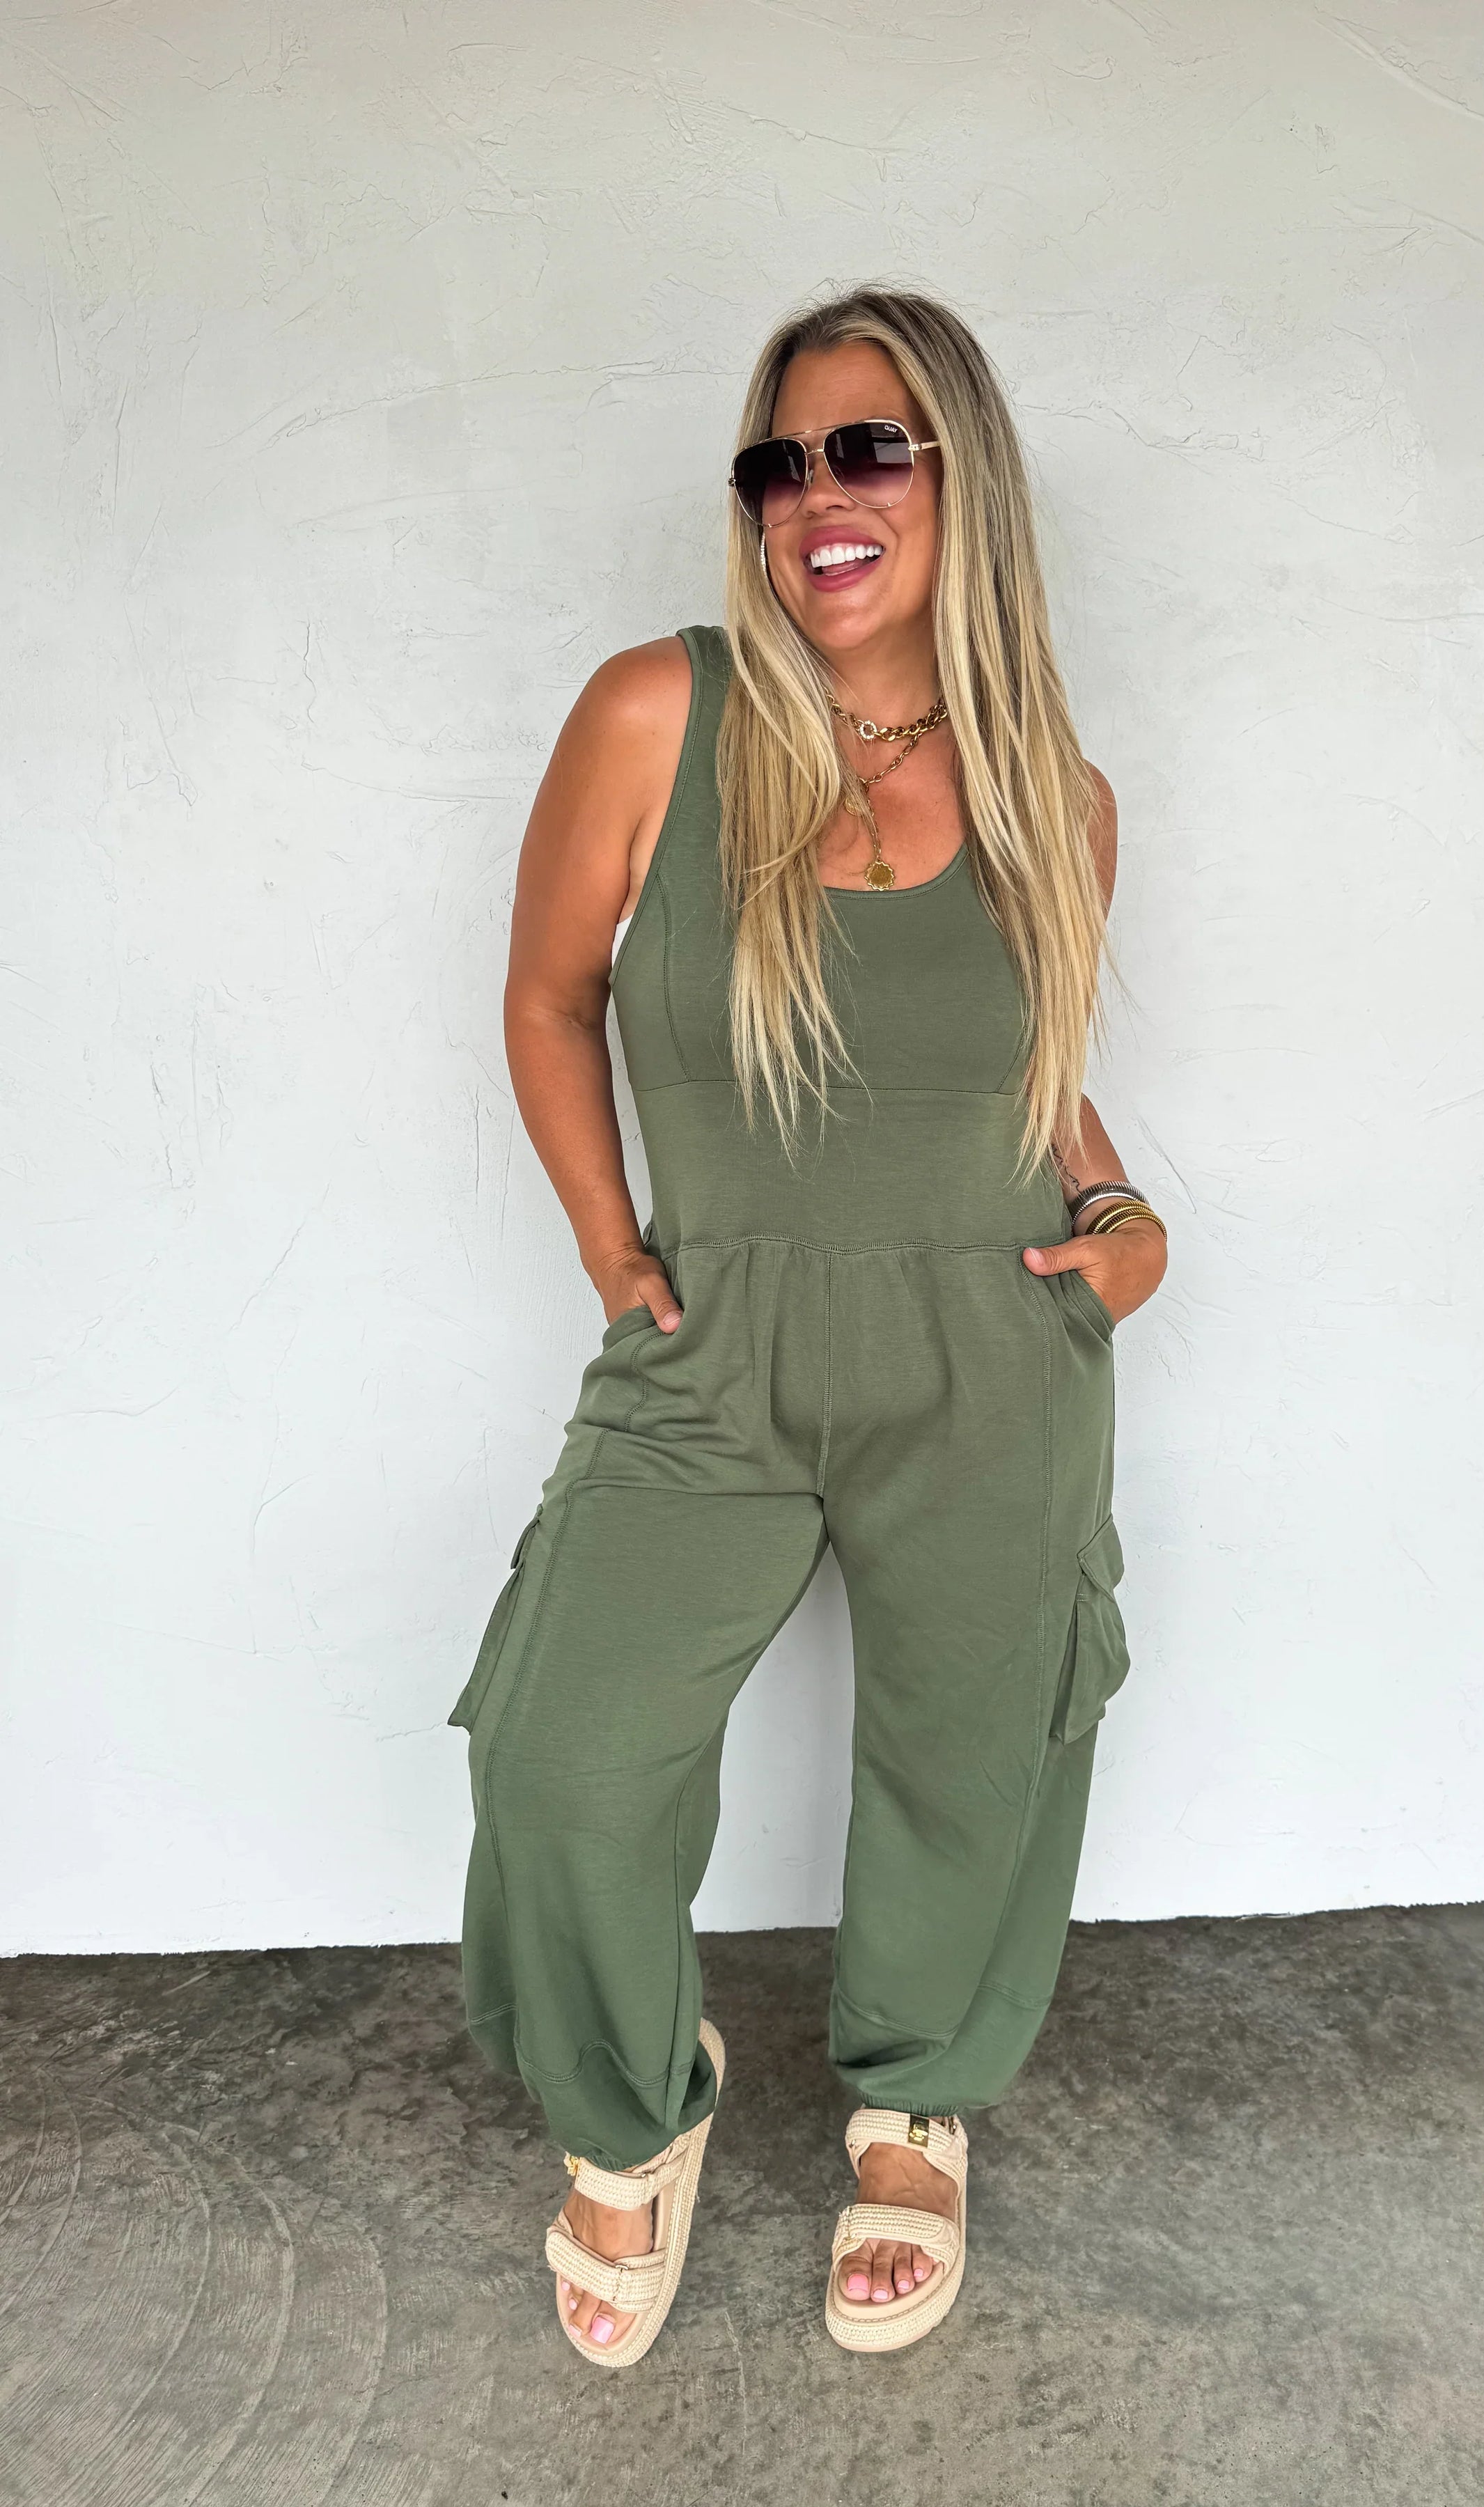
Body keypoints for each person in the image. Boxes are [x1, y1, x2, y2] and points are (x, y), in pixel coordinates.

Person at [449, 286, 1168, 2367]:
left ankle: (916, 2098)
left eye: (868, 449)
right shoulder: (657, 715)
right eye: (779, 461)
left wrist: (1123, 1219)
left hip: (991, 1346)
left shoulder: (1058, 800)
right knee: (565, 1754)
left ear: (964, 481)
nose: (813, 496)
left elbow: (1024, 1087)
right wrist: (616, 1256)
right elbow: (548, 996)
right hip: (719, 1343)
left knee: (973, 1751)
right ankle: (632, 2106)